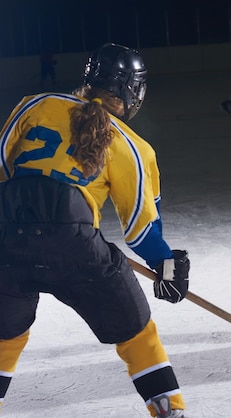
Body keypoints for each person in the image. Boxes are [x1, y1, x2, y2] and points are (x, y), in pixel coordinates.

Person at [0, 43, 189, 418]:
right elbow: (141, 233)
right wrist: (168, 268)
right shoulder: (133, 147)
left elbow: (4, 175)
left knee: (4, 337)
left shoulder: (32, 105)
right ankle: (170, 411)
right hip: (78, 252)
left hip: (9, 242)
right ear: (134, 93)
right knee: (137, 335)